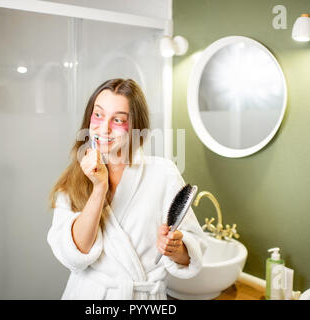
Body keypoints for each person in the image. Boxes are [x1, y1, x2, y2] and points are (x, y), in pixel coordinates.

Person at [47, 78, 207, 299]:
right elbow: (75, 255)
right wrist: (99, 188)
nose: (104, 128)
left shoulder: (163, 174)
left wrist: (176, 248)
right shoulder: (73, 180)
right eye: (98, 115)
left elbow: (193, 249)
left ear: (135, 127)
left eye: (118, 119)